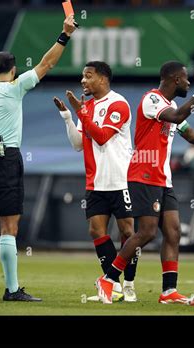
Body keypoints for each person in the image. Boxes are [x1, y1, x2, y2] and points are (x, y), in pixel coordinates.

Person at [95, 61, 194, 304]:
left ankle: (168, 291)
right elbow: (179, 115)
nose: (190, 83)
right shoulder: (152, 100)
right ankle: (108, 279)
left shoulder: (171, 105)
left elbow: (191, 134)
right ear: (175, 80)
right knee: (146, 233)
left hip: (163, 178)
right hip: (144, 175)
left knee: (173, 232)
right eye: (186, 79)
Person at [0, 15, 77, 301]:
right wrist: (65, 35)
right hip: (6, 157)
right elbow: (47, 63)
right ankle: (11, 290)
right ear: (12, 70)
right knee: (9, 226)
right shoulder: (15, 88)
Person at [53, 61, 138, 302]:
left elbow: (101, 137)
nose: (83, 81)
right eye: (82, 76)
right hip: (95, 182)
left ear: (102, 79)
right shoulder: (86, 107)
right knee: (96, 230)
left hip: (120, 179)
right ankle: (114, 286)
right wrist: (69, 117)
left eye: (88, 76)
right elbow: (79, 144)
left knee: (128, 232)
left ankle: (129, 284)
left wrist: (81, 112)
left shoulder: (118, 103)